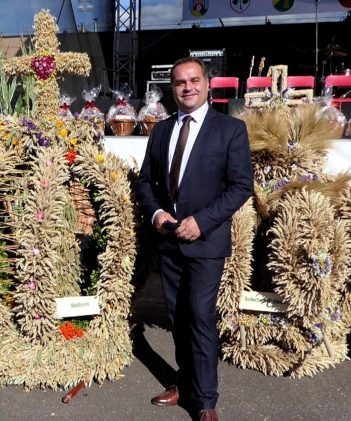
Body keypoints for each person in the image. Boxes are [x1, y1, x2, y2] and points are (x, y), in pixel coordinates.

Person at [136, 57, 254, 421]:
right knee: (177, 316)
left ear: (207, 84)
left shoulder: (230, 130)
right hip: (169, 241)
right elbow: (144, 182)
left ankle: (205, 400)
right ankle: (184, 382)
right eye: (179, 83)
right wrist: (156, 214)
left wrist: (202, 222)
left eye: (193, 80)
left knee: (200, 317)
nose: (187, 87)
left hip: (206, 242)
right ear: (172, 89)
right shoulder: (160, 130)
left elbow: (241, 187)